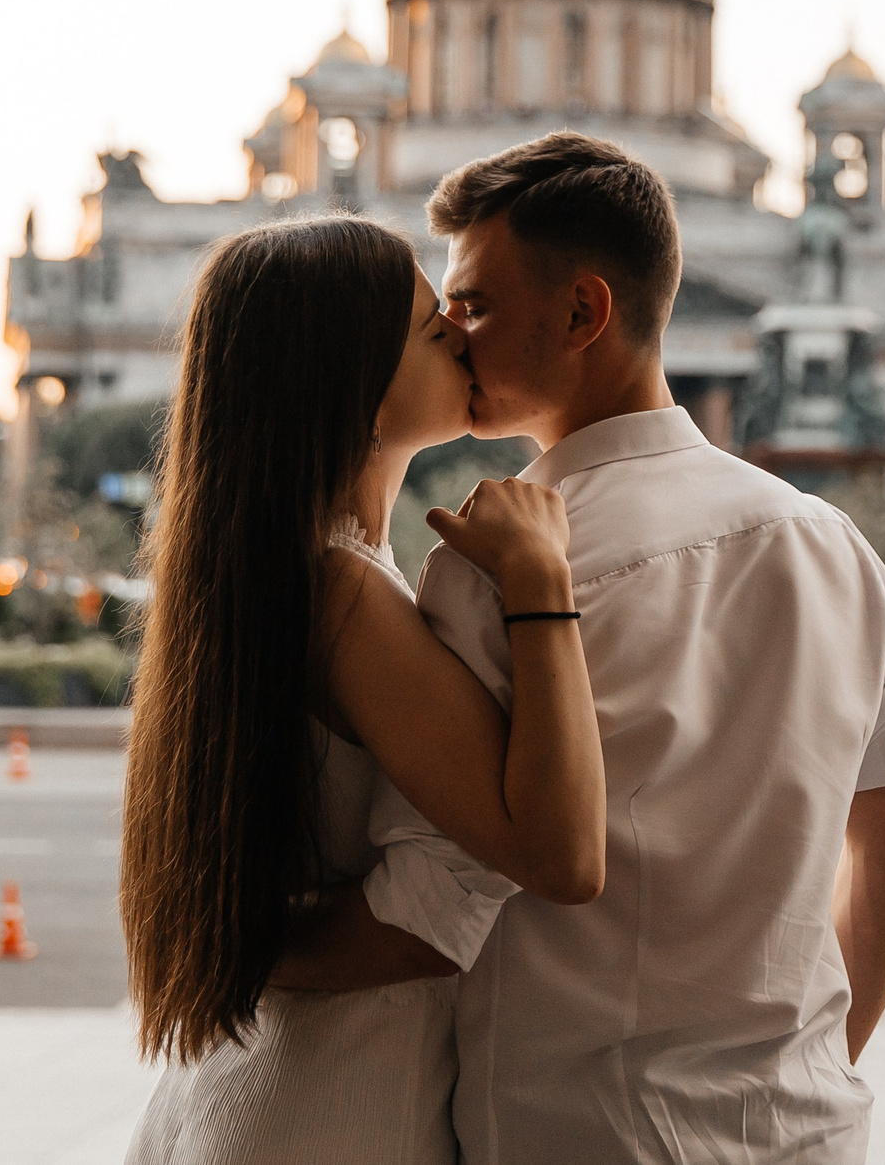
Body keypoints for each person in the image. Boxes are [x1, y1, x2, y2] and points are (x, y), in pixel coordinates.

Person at [289, 132, 885, 1165]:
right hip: (807, 1134)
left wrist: (221, 962)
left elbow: (429, 905)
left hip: (584, 1134)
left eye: (476, 305)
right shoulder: (834, 547)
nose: (454, 336)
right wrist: (820, 1064)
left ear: (583, 312)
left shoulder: (490, 565)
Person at [120, 214, 607, 1165]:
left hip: (252, 1094)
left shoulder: (286, 570)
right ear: (355, 388)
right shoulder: (341, 587)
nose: (465, 335)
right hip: (328, 1110)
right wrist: (542, 585)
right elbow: (564, 854)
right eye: (436, 328)